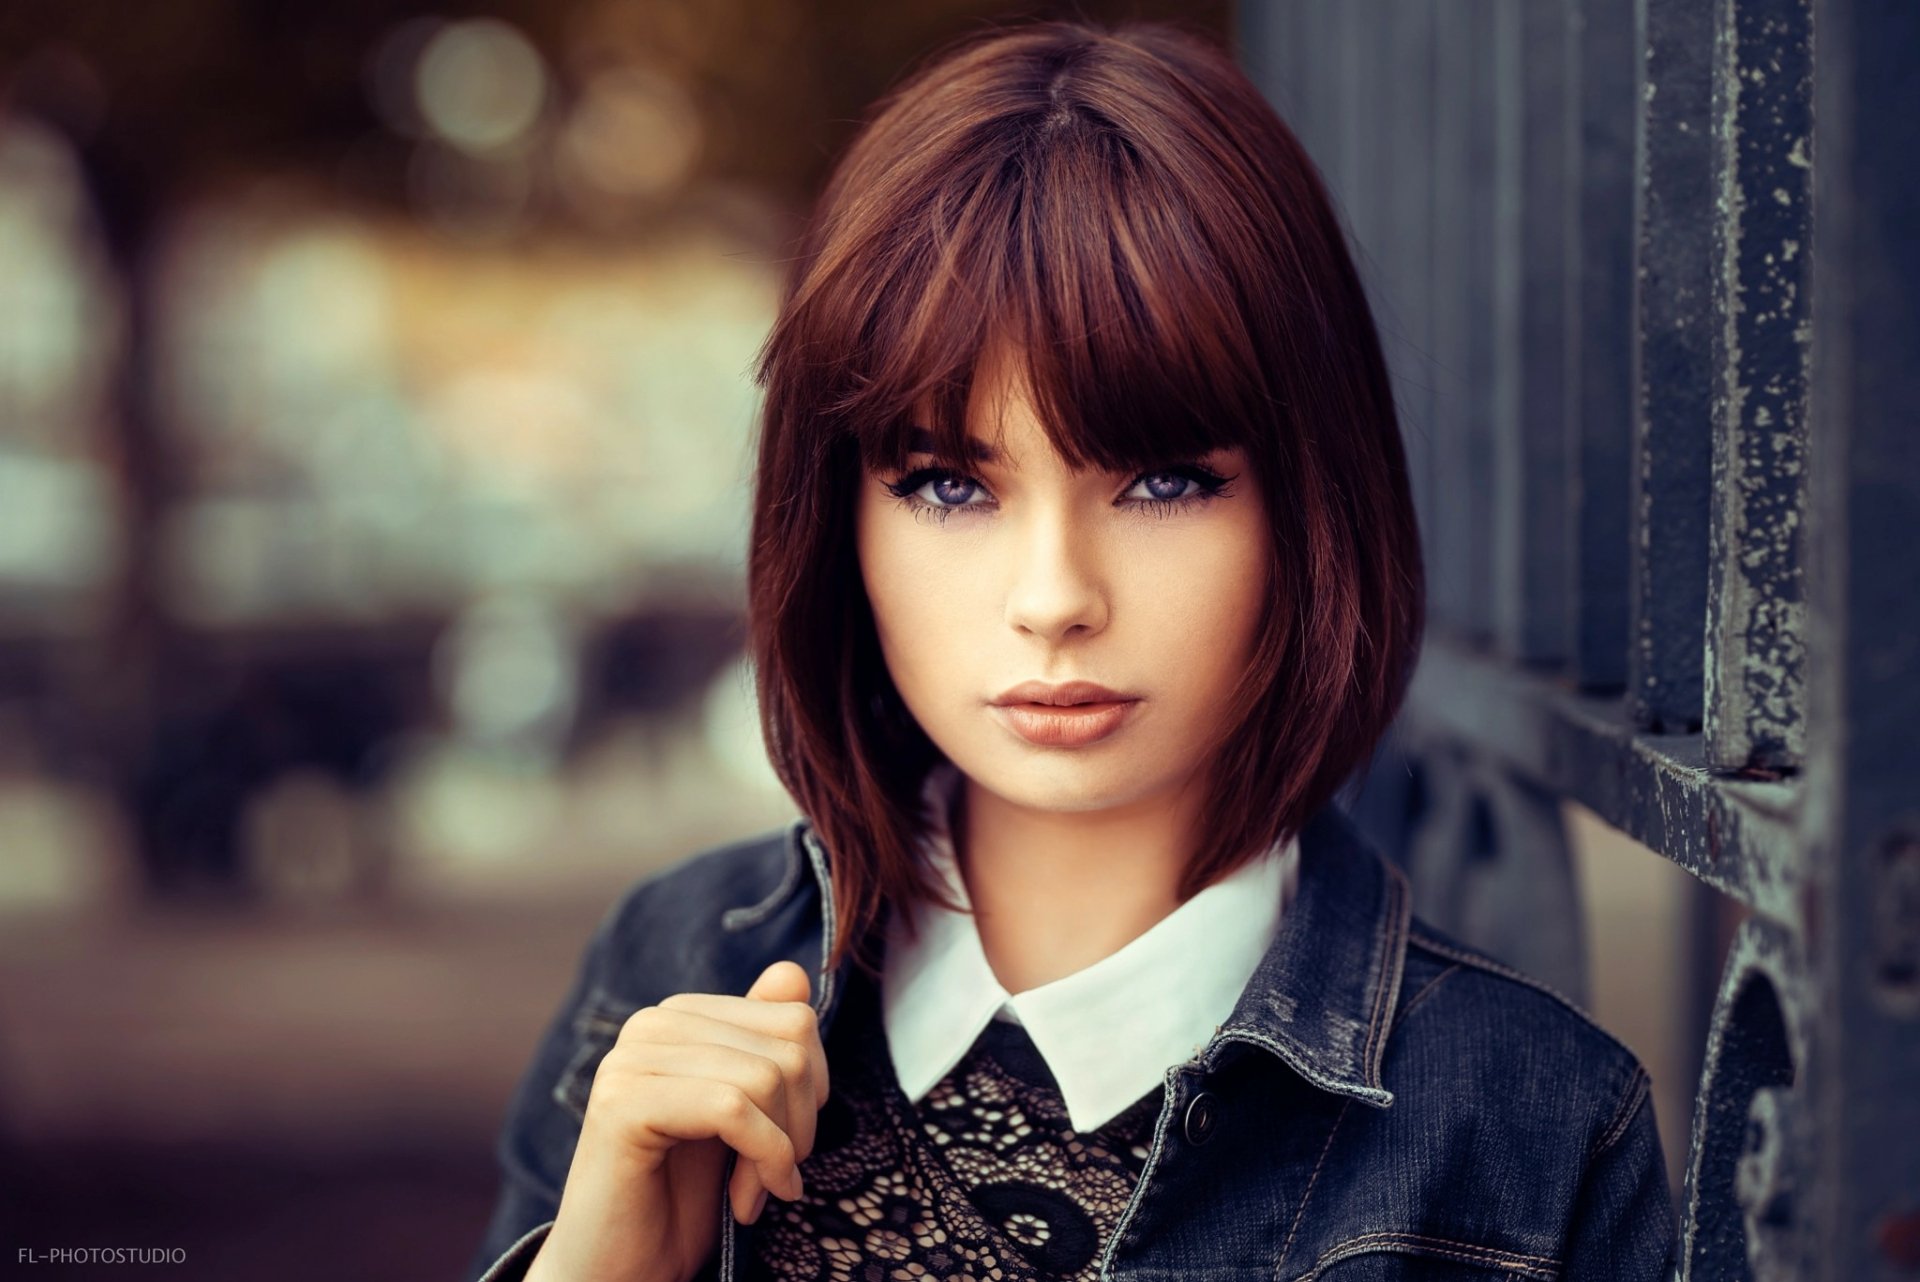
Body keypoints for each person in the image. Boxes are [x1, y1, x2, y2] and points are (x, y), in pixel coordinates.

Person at [464, 18, 1676, 1282]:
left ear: (1306, 513)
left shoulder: (1530, 1130)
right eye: (947, 484)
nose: (1055, 599)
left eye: (1162, 482)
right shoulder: (673, 971)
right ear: (839, 521)